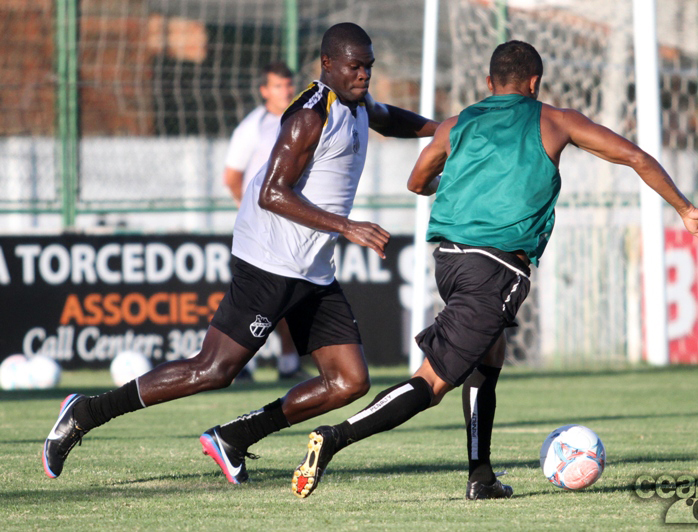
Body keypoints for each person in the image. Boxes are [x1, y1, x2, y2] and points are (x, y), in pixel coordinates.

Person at [290, 40, 698, 500]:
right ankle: (334, 438)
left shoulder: (458, 122)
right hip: (496, 268)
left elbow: (417, 182)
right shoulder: (557, 121)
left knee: (490, 353)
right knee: (433, 381)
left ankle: (481, 477)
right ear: (535, 82)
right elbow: (636, 157)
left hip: (450, 260)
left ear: (489, 83)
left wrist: (463, 182)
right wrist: (684, 208)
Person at [43, 22, 438, 484]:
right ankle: (86, 412)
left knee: (348, 381)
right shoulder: (310, 115)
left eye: (369, 66)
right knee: (213, 369)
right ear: (327, 64)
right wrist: (346, 226)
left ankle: (235, 435)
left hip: (311, 267)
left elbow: (391, 118)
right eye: (355, 66)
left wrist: (449, 128)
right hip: (268, 260)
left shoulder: (357, 103)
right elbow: (271, 192)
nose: (364, 74)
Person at [222, 61, 306, 381]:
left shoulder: (300, 119)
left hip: (293, 225)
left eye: (288, 84)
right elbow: (231, 176)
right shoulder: (252, 128)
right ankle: (240, 363)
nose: (285, 91)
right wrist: (250, 210)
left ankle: (288, 363)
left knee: (291, 295)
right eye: (277, 86)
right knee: (257, 298)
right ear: (264, 91)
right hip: (261, 229)